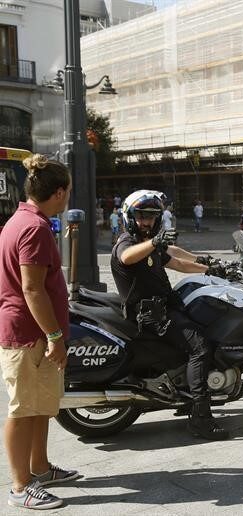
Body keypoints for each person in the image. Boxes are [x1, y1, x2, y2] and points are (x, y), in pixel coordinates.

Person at [112, 190, 229, 440]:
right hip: (152, 318)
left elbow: (178, 262)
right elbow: (125, 257)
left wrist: (211, 267)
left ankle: (187, 396)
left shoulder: (148, 245)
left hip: (163, 309)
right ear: (130, 217)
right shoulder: (128, 242)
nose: (147, 222)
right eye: (142, 216)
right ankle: (201, 419)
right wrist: (155, 242)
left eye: (152, 217)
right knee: (200, 347)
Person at [0, 155, 80, 510]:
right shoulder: (33, 228)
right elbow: (32, 289)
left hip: (32, 333)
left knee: (39, 408)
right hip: (29, 335)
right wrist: (54, 337)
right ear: (59, 192)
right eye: (69, 193)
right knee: (22, 410)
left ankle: (41, 469)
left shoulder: (24, 220)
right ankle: (20, 487)